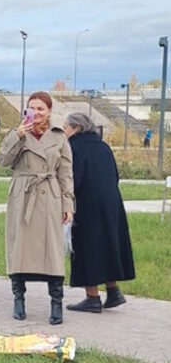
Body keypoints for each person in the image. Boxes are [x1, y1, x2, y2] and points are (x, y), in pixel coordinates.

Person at [0, 91, 74, 324]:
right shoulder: (17, 133)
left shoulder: (60, 137)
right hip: (23, 196)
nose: (37, 113)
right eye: (32, 108)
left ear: (50, 111)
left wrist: (68, 204)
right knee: (18, 249)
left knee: (52, 251)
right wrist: (17, 136)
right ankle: (18, 301)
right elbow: (3, 161)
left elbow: (66, 174)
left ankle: (56, 303)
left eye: (41, 108)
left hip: (49, 197)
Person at [63, 112, 135, 312]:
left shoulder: (74, 148)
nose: (64, 132)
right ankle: (113, 292)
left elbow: (73, 180)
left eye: (66, 128)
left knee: (87, 248)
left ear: (77, 128)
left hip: (87, 205)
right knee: (108, 244)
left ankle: (92, 297)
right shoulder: (104, 147)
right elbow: (115, 175)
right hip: (111, 203)